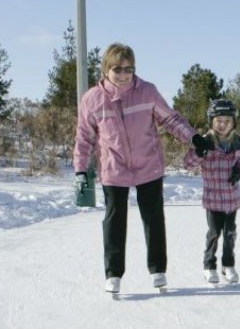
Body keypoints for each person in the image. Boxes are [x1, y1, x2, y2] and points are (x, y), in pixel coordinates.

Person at [73, 43, 213, 294]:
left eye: (129, 69)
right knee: (115, 220)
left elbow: (171, 119)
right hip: (114, 167)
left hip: (148, 163)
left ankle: (158, 269)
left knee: (153, 217)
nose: (124, 74)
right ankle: (113, 274)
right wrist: (81, 169)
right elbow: (84, 137)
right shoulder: (92, 99)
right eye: (118, 69)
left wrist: (194, 138)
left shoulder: (147, 91)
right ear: (106, 69)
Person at [184, 99, 240, 285]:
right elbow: (188, 164)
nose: (223, 125)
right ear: (212, 121)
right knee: (214, 232)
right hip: (213, 200)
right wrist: (198, 153)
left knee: (230, 233)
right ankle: (209, 266)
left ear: (234, 122)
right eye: (219, 121)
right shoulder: (205, 142)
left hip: (231, 198)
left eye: (227, 121)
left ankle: (227, 265)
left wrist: (239, 172)